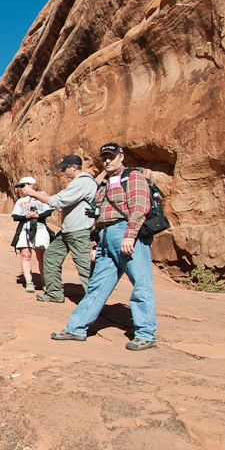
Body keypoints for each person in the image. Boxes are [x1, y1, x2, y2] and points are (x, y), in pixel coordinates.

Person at [51, 143, 158, 350]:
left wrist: (130, 235)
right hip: (106, 236)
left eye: (111, 156)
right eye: (104, 158)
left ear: (121, 156)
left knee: (141, 284)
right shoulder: (104, 183)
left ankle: (145, 334)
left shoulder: (132, 176)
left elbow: (140, 206)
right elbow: (98, 214)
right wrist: (94, 241)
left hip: (127, 234)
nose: (107, 160)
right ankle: (76, 328)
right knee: (96, 287)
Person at [22, 154, 97, 303]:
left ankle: (95, 301)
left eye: (64, 169)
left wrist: (33, 193)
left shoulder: (83, 182)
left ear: (73, 167)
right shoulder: (77, 183)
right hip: (67, 231)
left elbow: (59, 200)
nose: (62, 172)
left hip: (79, 231)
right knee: (51, 256)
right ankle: (54, 292)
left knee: (84, 266)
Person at [10, 177, 54, 293]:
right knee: (25, 255)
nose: (22, 189)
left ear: (31, 185)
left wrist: (37, 216)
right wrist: (27, 216)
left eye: (23, 186)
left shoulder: (42, 198)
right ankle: (29, 282)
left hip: (39, 227)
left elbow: (49, 211)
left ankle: (45, 282)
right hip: (25, 228)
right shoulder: (21, 201)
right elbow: (15, 216)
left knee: (41, 256)